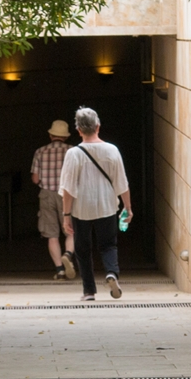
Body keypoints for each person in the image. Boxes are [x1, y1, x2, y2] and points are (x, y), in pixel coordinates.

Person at [59, 106, 132, 301]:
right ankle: (111, 273)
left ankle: (89, 291)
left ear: (79, 130)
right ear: (98, 126)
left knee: (82, 249)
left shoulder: (73, 154)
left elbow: (68, 188)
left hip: (81, 208)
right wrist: (128, 207)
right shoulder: (112, 150)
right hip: (107, 205)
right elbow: (121, 182)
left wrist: (66, 215)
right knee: (108, 245)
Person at [32, 119, 77, 280]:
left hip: (47, 195)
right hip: (67, 194)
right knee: (71, 230)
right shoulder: (73, 151)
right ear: (65, 137)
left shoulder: (40, 152)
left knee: (51, 234)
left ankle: (59, 270)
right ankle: (68, 254)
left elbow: (35, 179)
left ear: (51, 135)